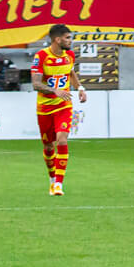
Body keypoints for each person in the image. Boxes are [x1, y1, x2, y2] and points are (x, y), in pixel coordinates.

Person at [33, 24, 86, 195]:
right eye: (68, 38)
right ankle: (51, 179)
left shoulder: (69, 55)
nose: (71, 41)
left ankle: (58, 185)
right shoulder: (41, 56)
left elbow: (70, 73)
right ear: (58, 39)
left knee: (62, 141)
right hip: (45, 108)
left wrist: (80, 88)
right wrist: (55, 91)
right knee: (48, 146)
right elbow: (35, 83)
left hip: (64, 105)